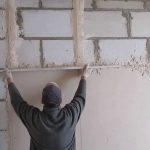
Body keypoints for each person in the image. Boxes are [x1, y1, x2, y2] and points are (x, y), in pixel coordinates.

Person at [5, 64, 92, 150]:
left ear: (42, 101)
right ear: (60, 101)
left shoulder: (34, 119)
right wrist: (84, 77)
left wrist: (9, 79)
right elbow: (80, 98)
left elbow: (17, 103)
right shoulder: (70, 116)